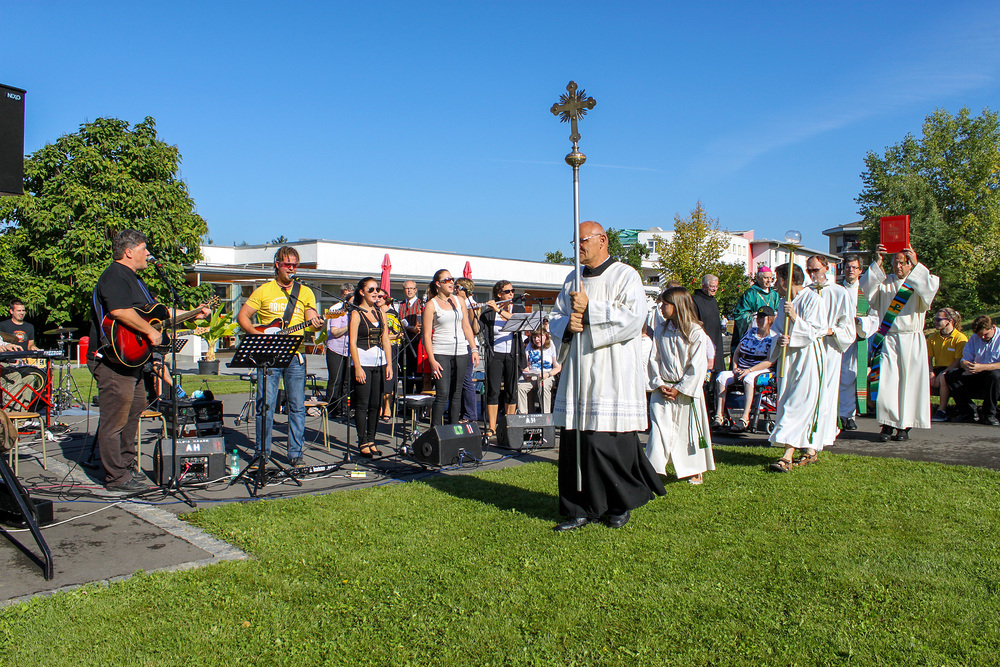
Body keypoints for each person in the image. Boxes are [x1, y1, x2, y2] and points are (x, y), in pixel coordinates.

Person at [549, 221, 664, 531]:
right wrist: (567, 326)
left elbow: (633, 318)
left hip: (612, 371)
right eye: (575, 242)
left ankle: (617, 503)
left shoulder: (626, 275)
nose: (578, 247)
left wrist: (590, 311)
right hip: (579, 370)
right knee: (576, 442)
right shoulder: (573, 278)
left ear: (603, 240)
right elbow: (556, 317)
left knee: (605, 442)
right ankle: (578, 507)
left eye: (583, 240)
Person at [88, 229, 209, 492]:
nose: (148, 254)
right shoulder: (114, 275)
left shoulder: (135, 280)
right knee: (115, 419)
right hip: (113, 359)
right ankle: (116, 477)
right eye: (144, 249)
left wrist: (193, 314)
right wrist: (150, 331)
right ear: (129, 251)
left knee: (136, 408)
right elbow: (119, 312)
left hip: (132, 361)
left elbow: (159, 313)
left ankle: (126, 465)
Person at [237, 246, 323, 467]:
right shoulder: (264, 290)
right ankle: (262, 453)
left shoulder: (305, 292)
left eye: (295, 264)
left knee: (296, 406)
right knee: (265, 405)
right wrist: (257, 335)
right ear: (277, 264)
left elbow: (311, 321)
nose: (292, 268)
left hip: (295, 357)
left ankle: (295, 454)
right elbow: (243, 316)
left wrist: (316, 323)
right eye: (287, 264)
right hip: (268, 356)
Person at [860, 245, 940, 442]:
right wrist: (878, 261)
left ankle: (904, 426)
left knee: (909, 383)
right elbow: (867, 289)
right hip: (890, 337)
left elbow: (929, 289)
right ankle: (887, 424)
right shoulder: (885, 283)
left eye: (902, 263)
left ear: (910, 264)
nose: (898, 266)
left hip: (911, 338)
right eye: (894, 262)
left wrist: (917, 263)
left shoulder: (917, 282)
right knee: (887, 381)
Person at [646, 287, 715, 485]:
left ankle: (694, 469)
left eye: (665, 304)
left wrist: (680, 388)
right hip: (663, 389)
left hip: (685, 391)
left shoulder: (695, 332)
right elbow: (654, 358)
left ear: (677, 306)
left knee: (688, 431)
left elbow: (697, 366)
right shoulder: (661, 330)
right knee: (659, 430)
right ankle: (653, 469)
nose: (661, 307)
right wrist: (659, 383)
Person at [767, 262, 825, 472]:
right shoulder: (784, 301)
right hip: (788, 358)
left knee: (797, 403)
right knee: (788, 399)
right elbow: (775, 332)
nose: (775, 285)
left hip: (807, 357)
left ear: (786, 279)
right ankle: (809, 450)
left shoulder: (813, 299)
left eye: (777, 279)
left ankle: (787, 456)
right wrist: (779, 340)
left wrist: (794, 318)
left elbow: (815, 331)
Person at [804, 255, 855, 449]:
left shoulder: (839, 293)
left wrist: (830, 330)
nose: (812, 274)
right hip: (808, 347)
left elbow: (848, 327)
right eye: (809, 270)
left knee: (826, 392)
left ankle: (823, 435)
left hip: (830, 347)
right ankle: (806, 434)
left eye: (815, 270)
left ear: (826, 268)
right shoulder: (805, 292)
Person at [422, 269, 480, 425]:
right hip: (441, 351)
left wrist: (474, 349)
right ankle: (436, 431)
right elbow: (427, 335)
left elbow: (466, 327)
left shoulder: (458, 300)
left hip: (461, 350)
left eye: (451, 279)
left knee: (457, 393)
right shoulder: (431, 304)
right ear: (438, 284)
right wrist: (432, 359)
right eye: (446, 280)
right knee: (443, 393)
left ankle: (453, 431)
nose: (451, 282)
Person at [349, 278, 393, 456]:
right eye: (371, 289)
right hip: (363, 361)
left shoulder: (380, 312)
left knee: (376, 404)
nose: (376, 293)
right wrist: (357, 367)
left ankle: (372, 439)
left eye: (377, 289)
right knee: (362, 404)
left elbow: (385, 340)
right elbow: (352, 343)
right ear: (362, 292)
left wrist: (389, 363)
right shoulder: (356, 314)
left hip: (378, 361)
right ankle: (362, 441)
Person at [713, 306, 776, 432]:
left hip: (761, 369)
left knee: (748, 379)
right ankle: (719, 415)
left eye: (762, 318)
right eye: (758, 317)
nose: (759, 320)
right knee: (721, 377)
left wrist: (749, 370)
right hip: (742, 368)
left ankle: (745, 418)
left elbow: (769, 361)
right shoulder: (750, 332)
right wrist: (735, 367)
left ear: (769, 319)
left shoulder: (773, 337)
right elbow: (737, 352)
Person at [838, 254, 879, 430]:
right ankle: (837, 414)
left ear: (860, 270)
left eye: (854, 267)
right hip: (837, 340)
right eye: (848, 267)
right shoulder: (836, 290)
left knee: (853, 376)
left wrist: (861, 322)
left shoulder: (866, 293)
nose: (851, 270)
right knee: (839, 378)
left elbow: (875, 316)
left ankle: (848, 415)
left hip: (857, 340)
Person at [480, 280, 525, 439]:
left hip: (513, 353)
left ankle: (508, 424)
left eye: (512, 291)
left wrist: (498, 309)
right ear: (499, 294)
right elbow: (475, 330)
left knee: (511, 390)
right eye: (508, 291)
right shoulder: (489, 313)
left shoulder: (518, 308)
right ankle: (492, 427)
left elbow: (515, 322)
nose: (511, 294)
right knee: (492, 390)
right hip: (495, 354)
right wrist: (476, 313)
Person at [945, 316, 1000, 426]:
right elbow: (964, 359)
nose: (983, 337)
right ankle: (968, 412)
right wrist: (967, 365)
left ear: (993, 327)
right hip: (977, 372)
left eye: (985, 334)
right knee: (951, 375)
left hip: (994, 375)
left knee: (994, 375)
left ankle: (989, 414)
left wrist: (982, 367)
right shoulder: (975, 338)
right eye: (980, 335)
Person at [928, 308, 967, 422]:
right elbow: (929, 358)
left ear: (949, 321)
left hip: (953, 369)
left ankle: (942, 410)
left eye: (938, 319)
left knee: (945, 378)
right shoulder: (933, 338)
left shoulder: (960, 338)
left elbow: (958, 360)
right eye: (935, 319)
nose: (935, 321)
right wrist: (931, 373)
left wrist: (943, 373)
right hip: (938, 367)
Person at [324, 283, 353, 420]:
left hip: (349, 350)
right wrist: (349, 326)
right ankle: (332, 407)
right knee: (336, 379)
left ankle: (345, 408)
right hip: (335, 348)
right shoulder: (335, 309)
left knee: (347, 381)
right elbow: (334, 332)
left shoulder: (356, 311)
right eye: (346, 294)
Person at [455, 278, 481, 422]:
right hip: (457, 344)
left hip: (467, 345)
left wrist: (476, 313)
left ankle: (470, 414)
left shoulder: (470, 304)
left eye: (458, 287)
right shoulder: (457, 302)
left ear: (465, 289)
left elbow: (474, 329)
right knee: (459, 379)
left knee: (466, 380)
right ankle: (461, 412)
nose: (455, 290)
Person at [732, 266, 779, 344]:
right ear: (758, 278)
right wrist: (754, 317)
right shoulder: (750, 293)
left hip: (770, 332)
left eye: (771, 278)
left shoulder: (774, 294)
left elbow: (777, 310)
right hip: (755, 330)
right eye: (766, 278)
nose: (769, 281)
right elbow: (740, 314)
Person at [517, 328, 561, 413]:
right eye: (534, 337)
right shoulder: (530, 345)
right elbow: (524, 364)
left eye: (539, 337)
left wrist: (547, 374)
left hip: (547, 374)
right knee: (520, 386)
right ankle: (523, 415)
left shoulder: (552, 345)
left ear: (545, 336)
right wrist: (526, 373)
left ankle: (545, 415)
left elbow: (557, 367)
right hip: (532, 373)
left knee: (543, 386)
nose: (536, 339)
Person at [378, 288, 402, 422]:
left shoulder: (393, 314)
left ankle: (387, 407)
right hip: (377, 348)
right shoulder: (374, 312)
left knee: (388, 378)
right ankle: (378, 406)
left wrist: (386, 337)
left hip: (391, 347)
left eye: (381, 297)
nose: (378, 299)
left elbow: (400, 333)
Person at [397, 280, 423, 395]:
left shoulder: (421, 304)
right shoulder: (400, 305)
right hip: (404, 344)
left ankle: (418, 405)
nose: (409, 290)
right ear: (403, 290)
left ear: (415, 290)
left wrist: (412, 328)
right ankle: (406, 404)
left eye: (411, 288)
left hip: (418, 343)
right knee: (406, 374)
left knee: (418, 374)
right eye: (407, 288)